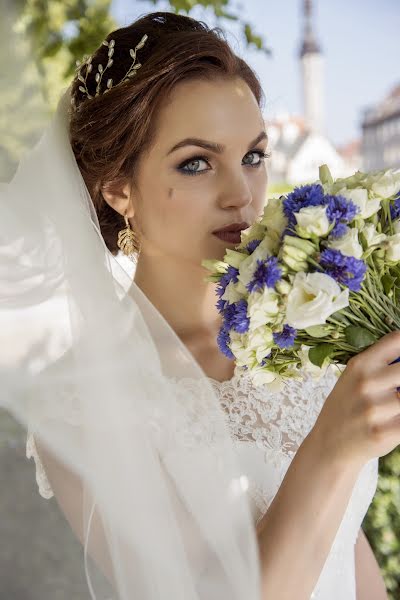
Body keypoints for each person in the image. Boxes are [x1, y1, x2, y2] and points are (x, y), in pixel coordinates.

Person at [1, 10, 395, 600]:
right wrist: (330, 451)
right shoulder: (81, 403)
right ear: (117, 188)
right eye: (196, 163)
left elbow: (346, 548)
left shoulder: (304, 331)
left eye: (254, 156)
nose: (241, 194)